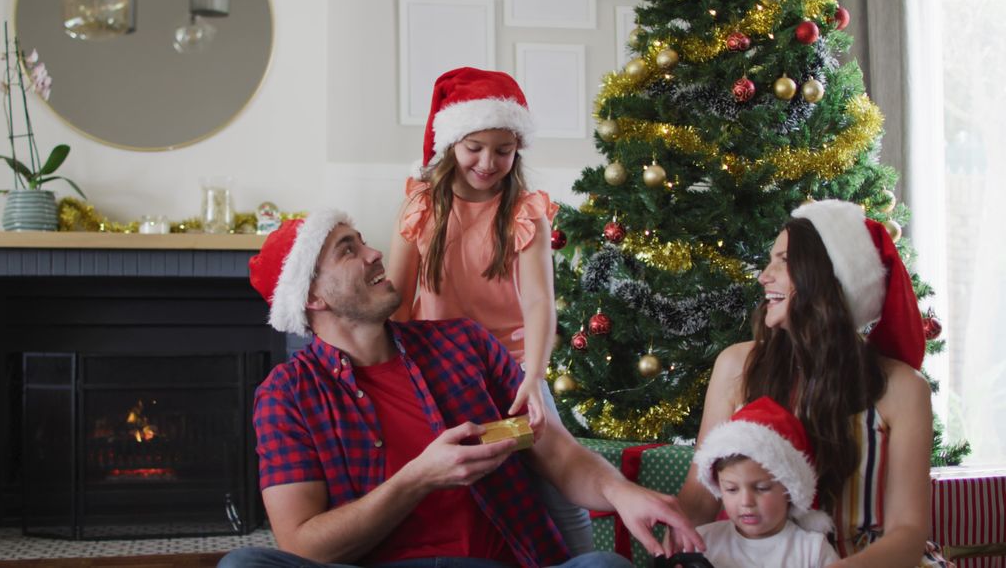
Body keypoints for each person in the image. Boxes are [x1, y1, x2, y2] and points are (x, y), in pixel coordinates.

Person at [219, 209, 705, 568]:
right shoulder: (287, 394)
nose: (374, 253)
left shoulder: (463, 345)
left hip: (497, 562)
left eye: (363, 241)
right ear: (311, 295)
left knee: (603, 566)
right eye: (348, 250)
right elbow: (302, 546)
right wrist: (419, 478)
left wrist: (620, 492)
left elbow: (556, 451)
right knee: (245, 565)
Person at [386, 67, 594, 553]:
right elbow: (395, 301)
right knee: (450, 491)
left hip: (512, 369)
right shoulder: (420, 206)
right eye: (474, 147)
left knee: (558, 485)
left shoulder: (524, 211)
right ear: (452, 143)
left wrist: (534, 377)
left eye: (503, 150)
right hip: (437, 370)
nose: (487, 162)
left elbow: (539, 300)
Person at [676, 200, 950, 567]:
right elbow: (698, 501)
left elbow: (908, 533)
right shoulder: (737, 366)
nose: (764, 276)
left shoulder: (903, 388)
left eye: (783, 260)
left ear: (828, 276)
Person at [692, 395, 840, 567]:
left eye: (762, 488)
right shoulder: (702, 541)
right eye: (732, 489)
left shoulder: (812, 550)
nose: (746, 502)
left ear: (790, 489)